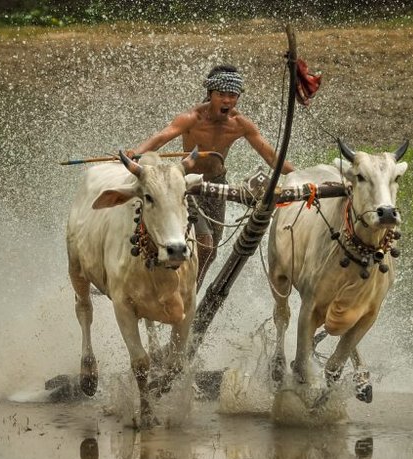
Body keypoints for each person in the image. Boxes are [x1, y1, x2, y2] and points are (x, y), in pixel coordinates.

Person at [126, 64, 294, 290]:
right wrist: (136, 152)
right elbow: (160, 138)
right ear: (210, 94)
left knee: (212, 251)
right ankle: (187, 292)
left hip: (217, 185)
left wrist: (298, 174)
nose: (227, 101)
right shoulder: (191, 118)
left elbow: (273, 159)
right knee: (204, 244)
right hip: (190, 186)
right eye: (221, 95)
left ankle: (191, 289)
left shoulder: (241, 124)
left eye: (232, 96)